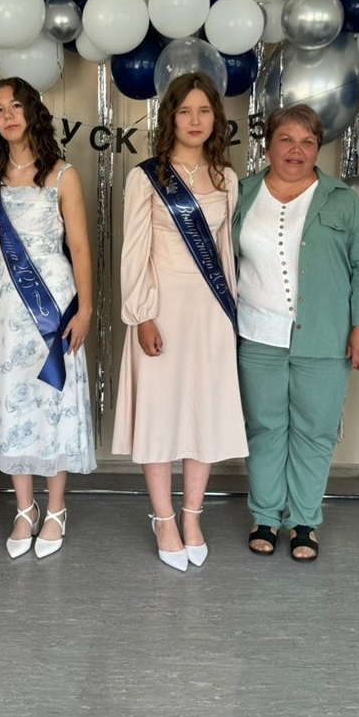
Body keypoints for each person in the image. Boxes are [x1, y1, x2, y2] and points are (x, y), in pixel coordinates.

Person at [233, 105, 359, 562]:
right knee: (264, 429)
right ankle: (264, 516)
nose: (296, 150)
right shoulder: (240, 194)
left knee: (315, 431)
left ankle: (303, 521)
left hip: (325, 336)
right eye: (286, 140)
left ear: (318, 148)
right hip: (257, 335)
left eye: (307, 142)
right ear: (267, 146)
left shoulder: (340, 199)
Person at [112, 72, 247, 571]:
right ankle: (163, 518)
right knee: (160, 413)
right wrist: (142, 314)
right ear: (170, 117)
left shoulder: (227, 178)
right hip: (162, 308)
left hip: (210, 313)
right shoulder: (146, 177)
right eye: (185, 111)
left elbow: (226, 255)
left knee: (203, 412)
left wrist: (231, 316)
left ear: (216, 118)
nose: (195, 120)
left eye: (204, 111)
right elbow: (134, 253)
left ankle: (192, 515)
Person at [0, 77, 96, 559]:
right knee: (13, 397)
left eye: (16, 106)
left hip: (54, 298)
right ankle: (24, 508)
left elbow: (81, 247)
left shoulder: (63, 174)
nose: (8, 116)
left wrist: (86, 308)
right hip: (4, 300)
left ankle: (57, 507)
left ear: (33, 113)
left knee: (52, 396)